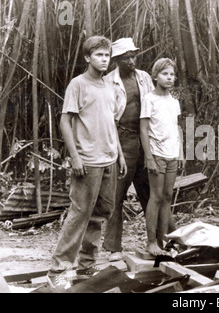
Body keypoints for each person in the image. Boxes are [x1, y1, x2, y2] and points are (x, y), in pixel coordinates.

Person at [47, 36, 127, 289]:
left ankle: (86, 266)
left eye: (107, 56)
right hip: (88, 161)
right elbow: (65, 121)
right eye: (99, 55)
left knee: (101, 213)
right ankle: (58, 269)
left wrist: (120, 155)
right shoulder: (78, 85)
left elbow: (110, 124)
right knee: (80, 214)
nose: (104, 60)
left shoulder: (110, 86)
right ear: (87, 58)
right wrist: (75, 156)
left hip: (109, 159)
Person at [102, 38, 153, 262]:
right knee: (117, 194)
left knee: (151, 191)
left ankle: (159, 240)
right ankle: (114, 248)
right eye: (126, 58)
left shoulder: (144, 77)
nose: (131, 61)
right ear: (117, 60)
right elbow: (108, 120)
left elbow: (154, 108)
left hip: (145, 139)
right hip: (121, 138)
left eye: (133, 56)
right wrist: (117, 151)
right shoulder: (108, 82)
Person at [140, 58, 185, 256]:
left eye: (172, 74)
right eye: (165, 74)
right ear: (155, 76)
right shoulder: (149, 99)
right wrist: (148, 157)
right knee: (156, 197)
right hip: (156, 154)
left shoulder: (174, 102)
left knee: (167, 196)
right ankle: (151, 242)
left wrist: (181, 152)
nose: (169, 78)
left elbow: (176, 128)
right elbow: (143, 129)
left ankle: (163, 240)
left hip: (172, 153)